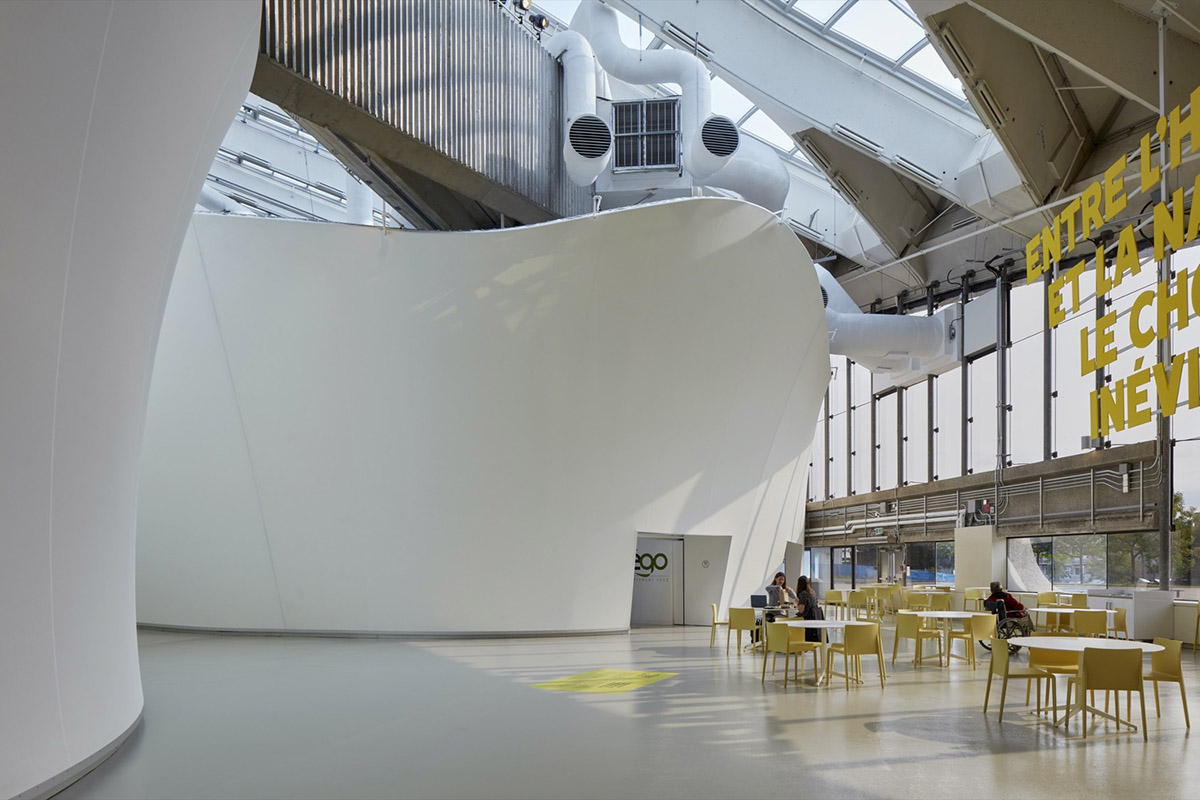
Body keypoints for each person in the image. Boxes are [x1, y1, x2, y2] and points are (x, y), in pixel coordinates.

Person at [794, 575, 822, 643]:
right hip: (814, 617)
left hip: (806, 617)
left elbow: (801, 610)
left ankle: (794, 642)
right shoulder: (813, 592)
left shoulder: (803, 594)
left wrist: (796, 604)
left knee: (791, 621)